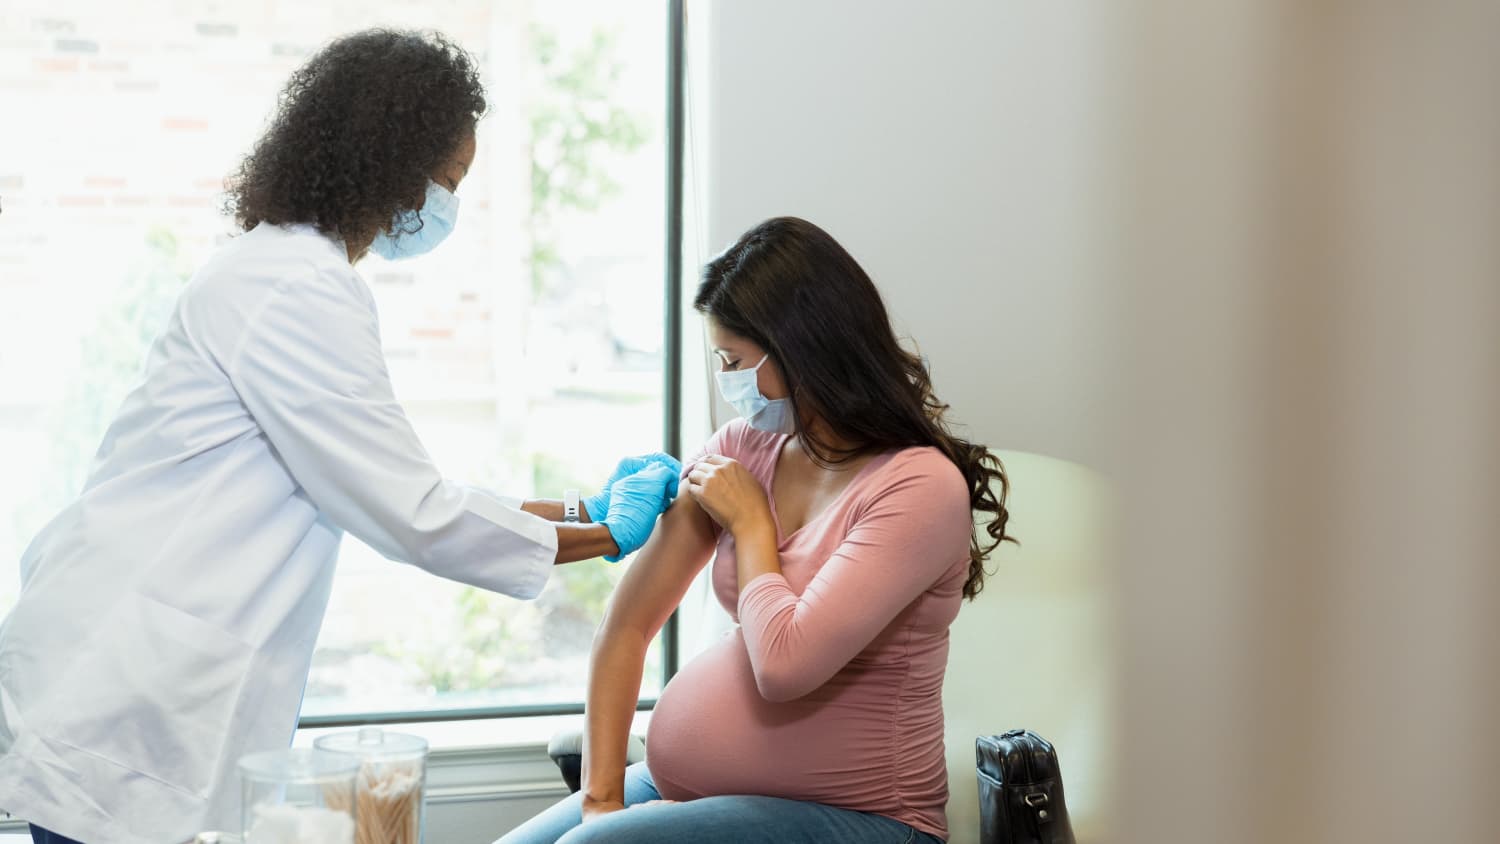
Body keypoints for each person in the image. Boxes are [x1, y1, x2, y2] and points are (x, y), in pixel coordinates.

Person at [0, 30, 678, 844]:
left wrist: (577, 503)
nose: (445, 205)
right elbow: (409, 511)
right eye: (447, 179)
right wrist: (604, 533)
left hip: (139, 682)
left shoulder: (284, 274)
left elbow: (382, 481)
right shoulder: (293, 288)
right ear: (387, 164)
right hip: (128, 698)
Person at [498, 216, 1014, 844]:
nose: (728, 381)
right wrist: (602, 802)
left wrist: (749, 523)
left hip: (868, 820)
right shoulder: (746, 448)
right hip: (683, 786)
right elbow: (627, 626)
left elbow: (786, 666)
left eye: (734, 360)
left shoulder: (920, 489)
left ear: (801, 352)